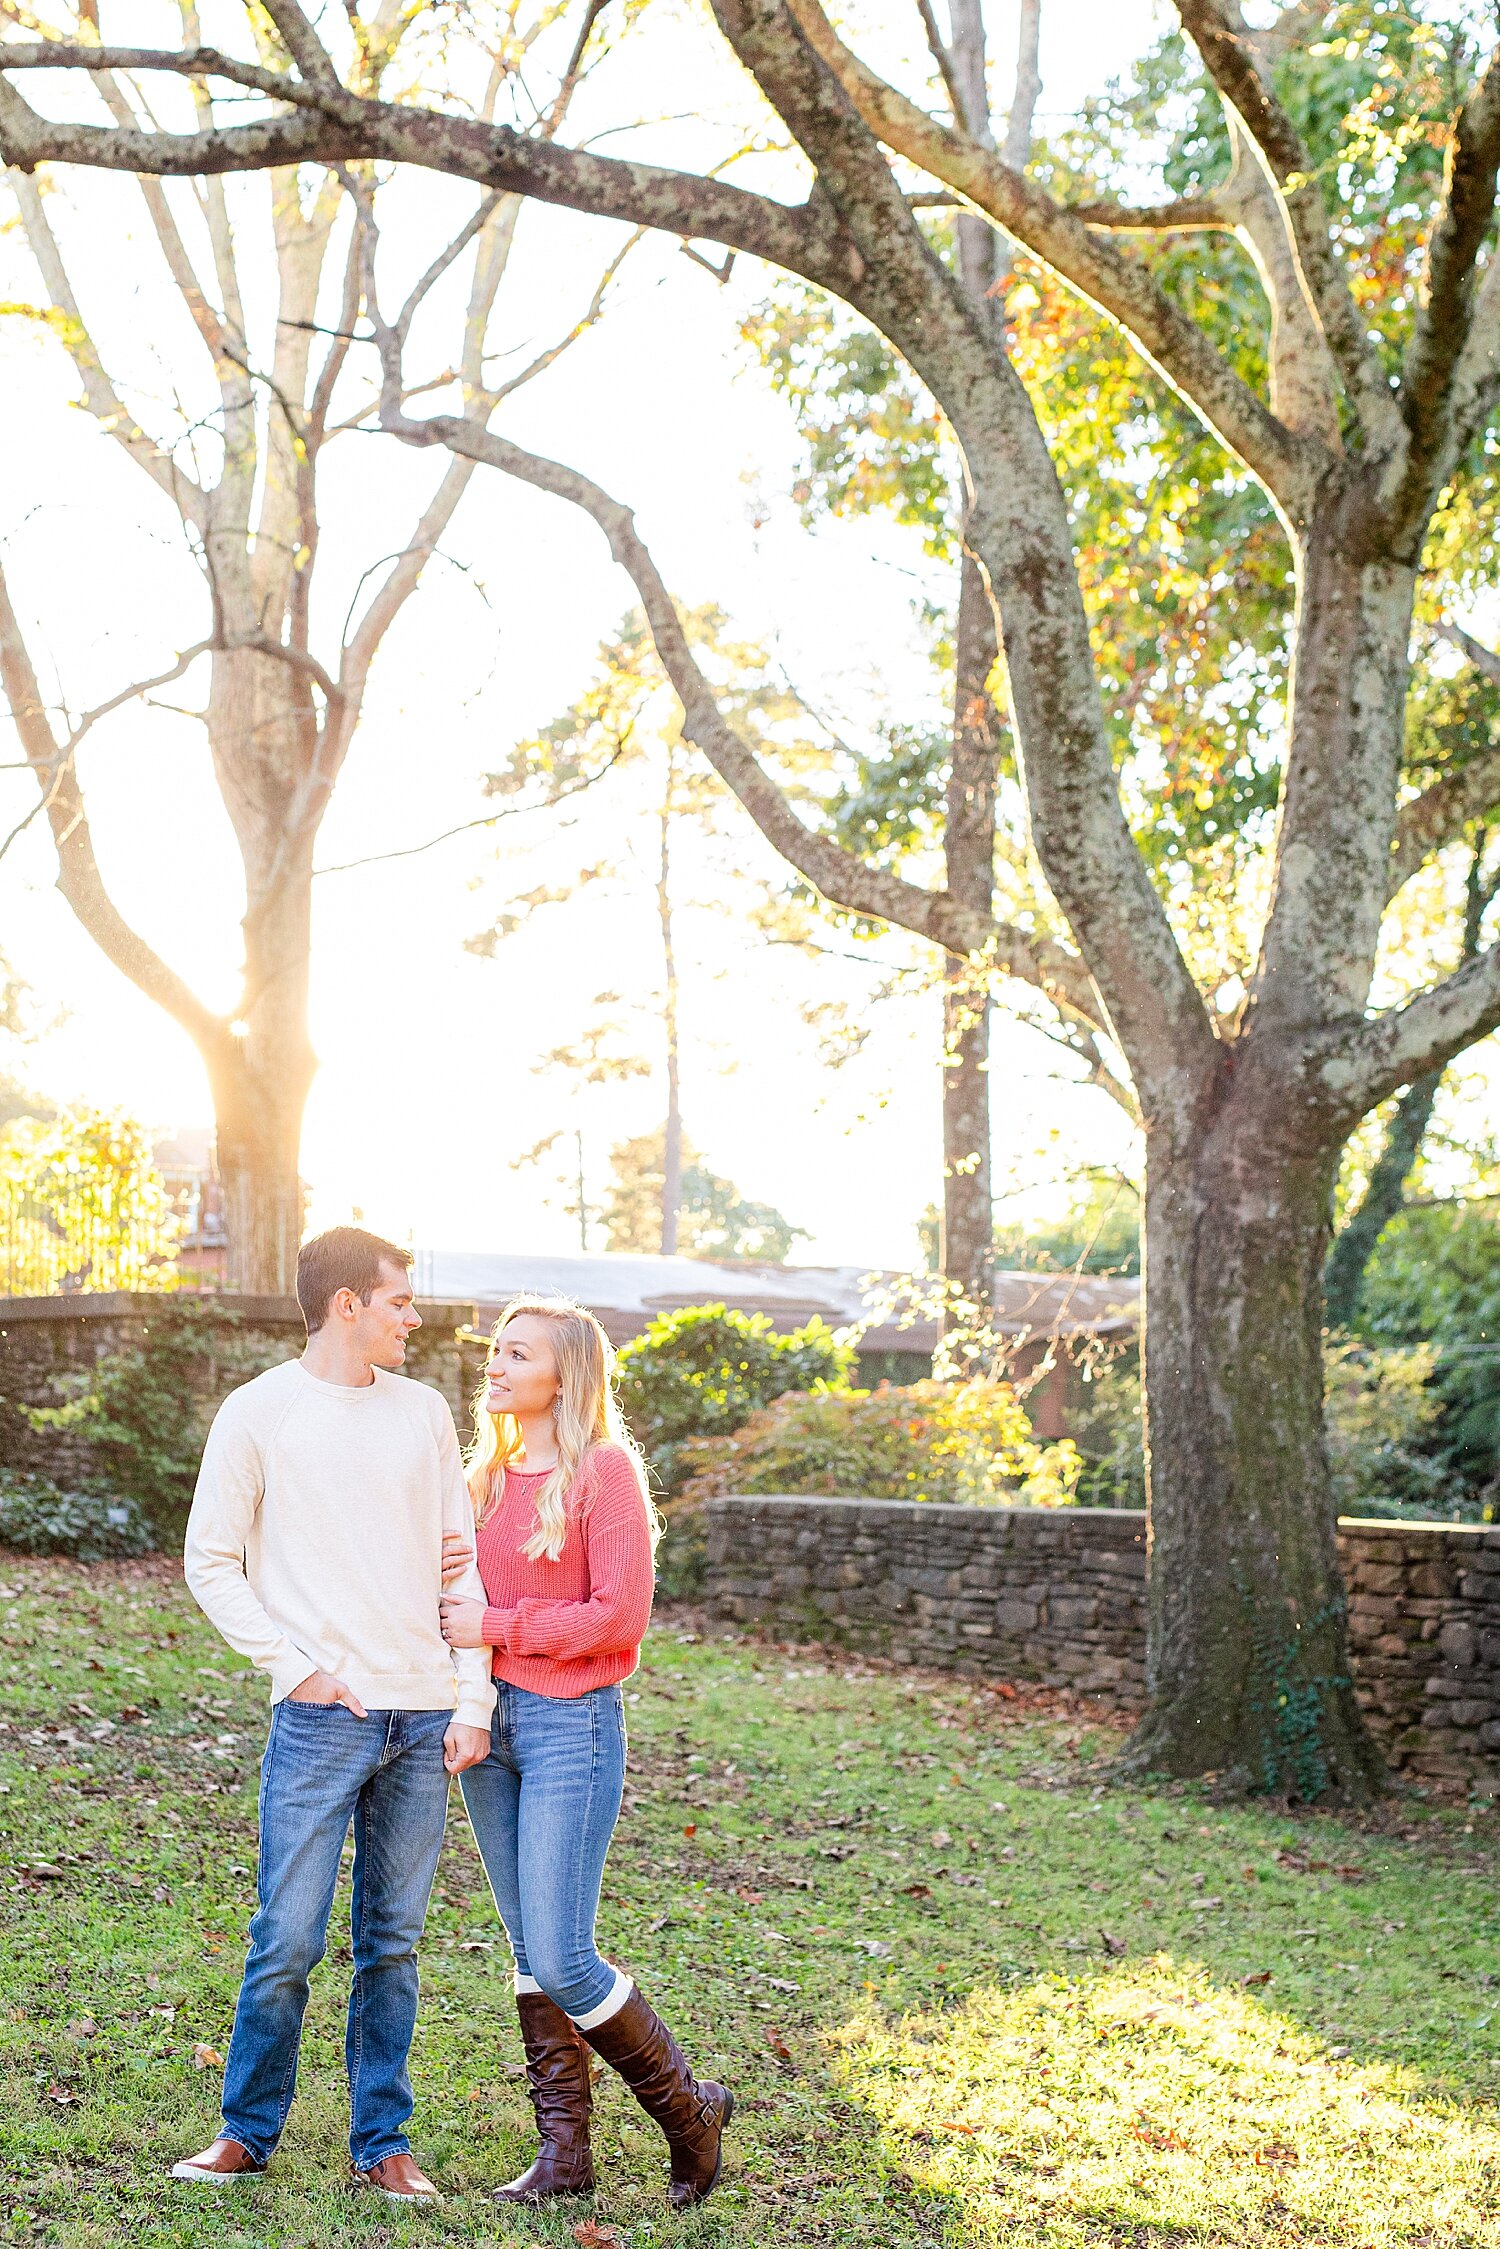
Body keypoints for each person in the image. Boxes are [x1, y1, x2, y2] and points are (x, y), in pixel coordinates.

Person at [174, 1226, 494, 2200]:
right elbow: (210, 1558)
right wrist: (295, 1664)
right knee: (290, 1935)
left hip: (420, 1711)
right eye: (399, 1299)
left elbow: (461, 1562)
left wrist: (470, 1693)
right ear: (347, 1304)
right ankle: (246, 2129)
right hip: (324, 1715)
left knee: (391, 1942)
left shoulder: (425, 1411)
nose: (415, 1315)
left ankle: (383, 2140)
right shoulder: (260, 1411)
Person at [437, 1294, 732, 2210]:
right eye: (496, 1349)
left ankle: (690, 2112)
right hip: (489, 1727)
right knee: (530, 1945)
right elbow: (449, 1598)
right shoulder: (481, 1476)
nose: (495, 1365)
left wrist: (500, 1623)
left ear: (564, 1374)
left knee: (565, 1953)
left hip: (573, 1726)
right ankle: (564, 2157)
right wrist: (465, 1693)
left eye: (517, 1355)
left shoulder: (605, 1471)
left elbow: (620, 1617)